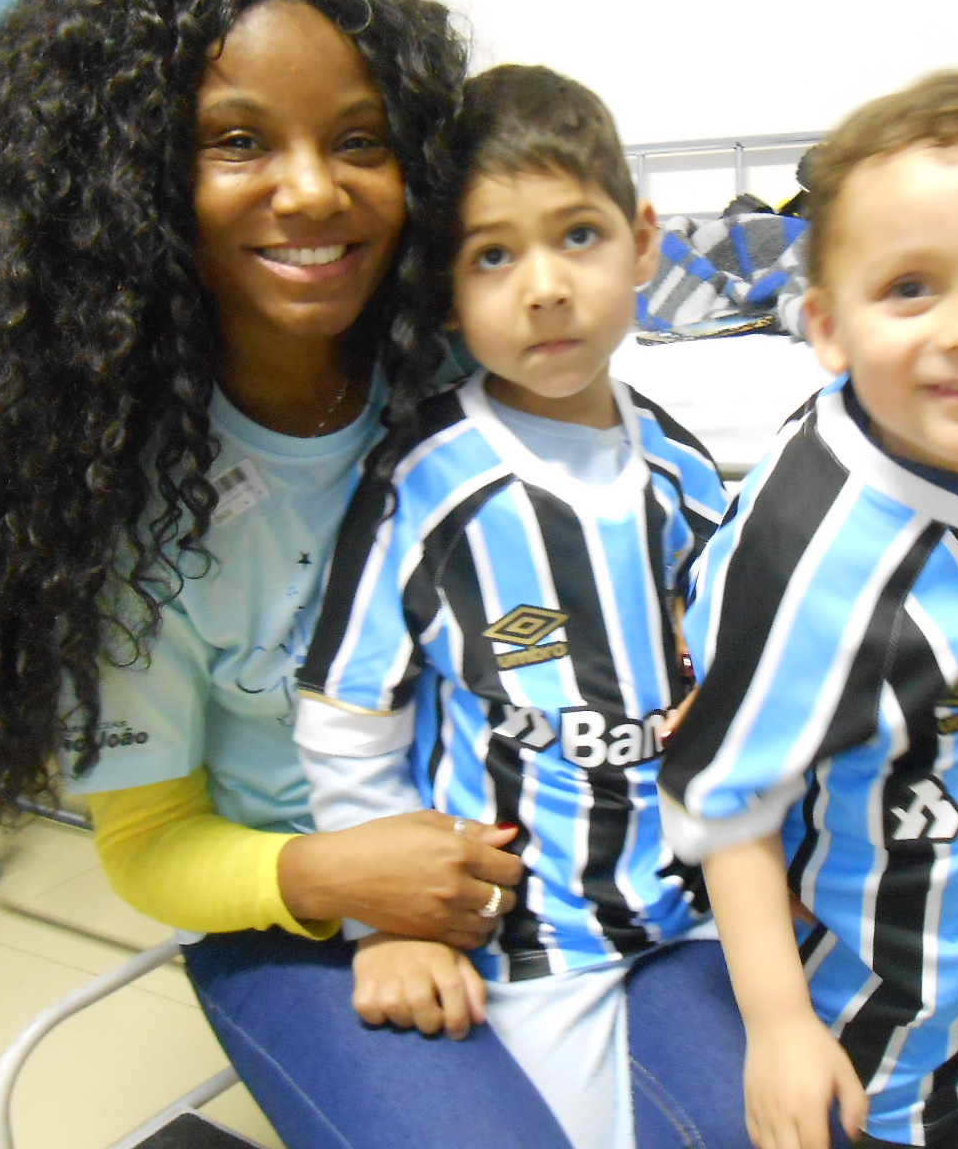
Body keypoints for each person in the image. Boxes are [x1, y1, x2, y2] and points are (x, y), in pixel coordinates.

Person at [0, 0, 578, 1145]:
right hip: (295, 906)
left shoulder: (470, 378)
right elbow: (148, 850)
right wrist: (325, 881)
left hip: (553, 850)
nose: (310, 192)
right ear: (127, 180)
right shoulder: (97, 499)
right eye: (236, 142)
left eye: (360, 140)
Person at [658, 68, 958, 1149]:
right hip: (868, 1053)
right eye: (910, 287)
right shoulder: (809, 545)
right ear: (825, 325)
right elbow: (725, 796)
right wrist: (775, 1026)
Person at [294, 63, 742, 1149]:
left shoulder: (682, 466)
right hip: (526, 941)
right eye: (494, 255)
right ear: (447, 294)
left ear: (642, 242)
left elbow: (729, 647)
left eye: (576, 237)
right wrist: (386, 926)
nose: (543, 286)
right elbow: (348, 721)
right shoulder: (427, 485)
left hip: (690, 913)